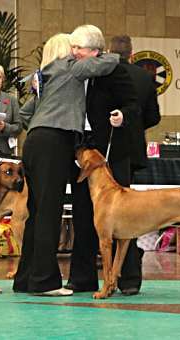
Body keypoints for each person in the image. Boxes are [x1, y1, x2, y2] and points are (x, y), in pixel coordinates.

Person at [13, 33, 119, 296]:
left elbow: (26, 113)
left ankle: (25, 279)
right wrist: (100, 50)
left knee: (37, 212)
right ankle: (45, 283)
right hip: (54, 141)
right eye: (72, 46)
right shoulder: (69, 67)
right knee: (50, 211)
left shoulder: (45, 76)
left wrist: (42, 124)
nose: (76, 50)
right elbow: (109, 62)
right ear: (65, 50)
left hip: (35, 141)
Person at [65, 25, 141, 296]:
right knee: (83, 214)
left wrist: (122, 115)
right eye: (72, 47)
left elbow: (134, 104)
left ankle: (128, 278)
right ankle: (82, 277)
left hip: (112, 151)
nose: (73, 52)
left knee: (126, 219)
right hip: (82, 152)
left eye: (78, 49)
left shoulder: (115, 70)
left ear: (95, 51)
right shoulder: (73, 72)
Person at [109, 35, 161, 176]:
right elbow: (153, 116)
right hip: (134, 146)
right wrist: (135, 124)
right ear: (131, 54)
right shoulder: (145, 77)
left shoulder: (103, 73)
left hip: (107, 146)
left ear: (109, 52)